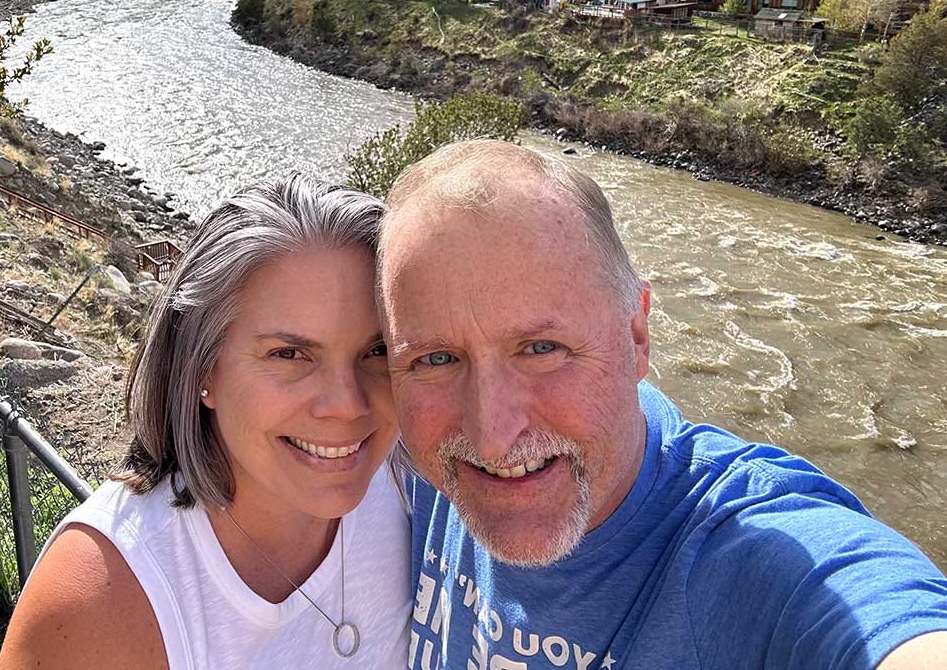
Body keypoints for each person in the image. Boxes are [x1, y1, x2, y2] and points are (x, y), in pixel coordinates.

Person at [377, 140, 947, 670]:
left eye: (542, 349)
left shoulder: (750, 553)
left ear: (637, 337)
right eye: (435, 360)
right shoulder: (399, 461)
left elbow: (882, 621)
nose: (491, 435)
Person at [0, 175, 410, 670]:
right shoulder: (101, 600)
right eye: (290, 354)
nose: (347, 404)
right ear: (201, 368)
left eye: (377, 350)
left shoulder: (415, 490)